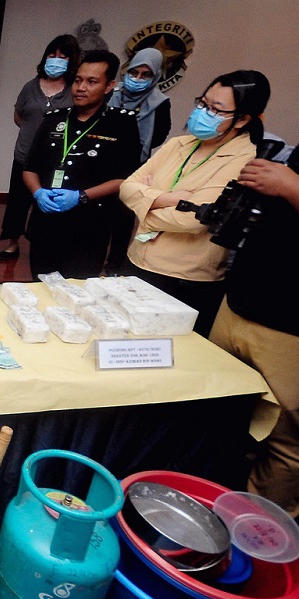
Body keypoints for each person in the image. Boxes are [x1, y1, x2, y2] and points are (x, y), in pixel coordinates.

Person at [119, 70, 271, 336]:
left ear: (243, 119)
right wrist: (168, 199)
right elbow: (126, 188)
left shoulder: (246, 160)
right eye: (203, 103)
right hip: (137, 261)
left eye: (216, 109)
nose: (204, 112)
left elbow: (194, 220)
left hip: (184, 280)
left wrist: (145, 204)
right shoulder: (179, 143)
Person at [209, 143, 299, 518]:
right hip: (240, 301)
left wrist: (292, 187)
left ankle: (259, 532)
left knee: (283, 442)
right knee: (216, 413)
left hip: (289, 327)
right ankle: (207, 499)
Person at [22, 50, 141, 279]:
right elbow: (29, 168)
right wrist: (37, 193)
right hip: (46, 223)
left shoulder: (121, 124)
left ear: (109, 86)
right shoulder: (54, 118)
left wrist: (81, 196)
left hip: (88, 228)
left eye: (91, 81)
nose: (81, 87)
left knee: (76, 292)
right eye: (78, 80)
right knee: (39, 285)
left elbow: (125, 178)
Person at [0, 34, 80, 262]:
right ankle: (13, 243)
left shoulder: (74, 89)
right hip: (24, 155)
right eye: (52, 55)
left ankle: (41, 242)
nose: (55, 60)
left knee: (48, 202)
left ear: (71, 61)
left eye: (62, 57)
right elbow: (18, 116)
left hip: (56, 160)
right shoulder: (30, 86)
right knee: (17, 202)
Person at [103, 47, 172, 275]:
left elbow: (160, 135)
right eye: (135, 73)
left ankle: (114, 265)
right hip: (102, 161)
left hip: (135, 165)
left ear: (156, 76)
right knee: (99, 213)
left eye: (146, 75)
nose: (138, 79)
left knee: (124, 217)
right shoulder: (111, 94)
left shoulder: (160, 103)